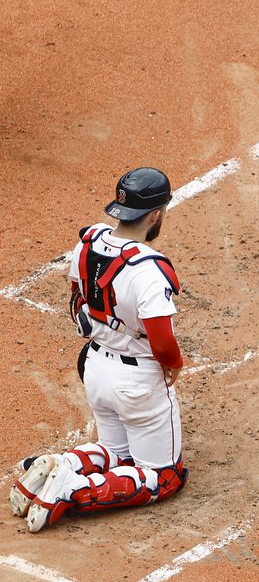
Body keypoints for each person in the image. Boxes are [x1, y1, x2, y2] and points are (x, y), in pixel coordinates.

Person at [11, 167, 188, 533]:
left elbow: (76, 297)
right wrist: (174, 364)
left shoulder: (87, 244)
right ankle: (71, 489)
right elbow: (161, 339)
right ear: (155, 215)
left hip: (95, 368)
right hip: (137, 381)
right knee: (164, 476)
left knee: (117, 452)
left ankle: (61, 465)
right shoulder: (149, 271)